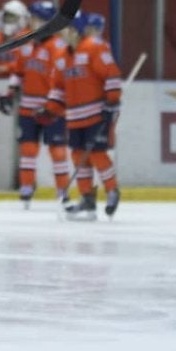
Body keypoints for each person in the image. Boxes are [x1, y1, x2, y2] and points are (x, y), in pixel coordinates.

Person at [41, 12, 122, 219]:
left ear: (75, 30)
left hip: (97, 114)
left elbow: (111, 75)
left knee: (97, 154)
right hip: (75, 117)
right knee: (78, 157)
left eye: (65, 29)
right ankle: (87, 198)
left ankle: (112, 190)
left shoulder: (94, 47)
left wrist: (112, 101)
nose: (61, 34)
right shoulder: (61, 57)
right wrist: (50, 109)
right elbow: (58, 88)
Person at [0, 0, 69, 207]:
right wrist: (10, 91)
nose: (32, 22)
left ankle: (62, 191)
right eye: (32, 18)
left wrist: (52, 104)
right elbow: (18, 72)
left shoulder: (59, 47)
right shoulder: (24, 41)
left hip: (52, 107)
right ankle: (27, 188)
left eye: (36, 19)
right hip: (28, 106)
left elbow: (62, 80)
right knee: (28, 149)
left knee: (58, 151)